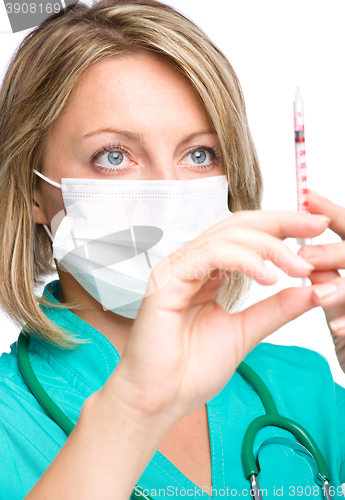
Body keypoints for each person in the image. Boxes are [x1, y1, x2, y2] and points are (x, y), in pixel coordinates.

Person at [1, 1, 345, 499]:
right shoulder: (10, 423)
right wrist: (132, 412)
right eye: (113, 156)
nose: (168, 190)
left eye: (199, 154)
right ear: (33, 190)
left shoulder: (307, 392)